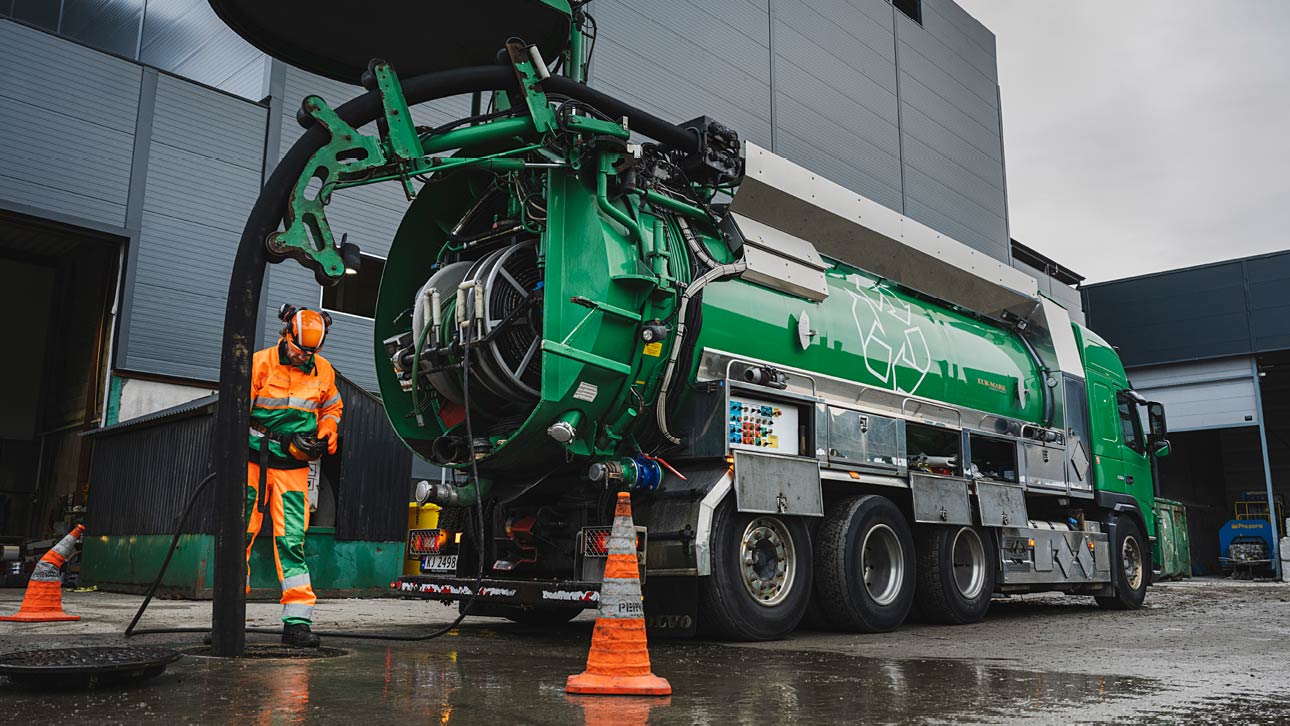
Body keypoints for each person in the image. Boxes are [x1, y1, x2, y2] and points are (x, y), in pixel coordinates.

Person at [246, 304, 343, 647]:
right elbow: (234, 412)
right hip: (253, 464)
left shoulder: (324, 371)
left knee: (292, 541)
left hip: (293, 468)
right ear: (286, 335)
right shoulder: (258, 363)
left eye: (311, 352)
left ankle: (297, 623)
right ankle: (228, 614)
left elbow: (331, 406)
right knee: (240, 534)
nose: (303, 357)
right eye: (299, 349)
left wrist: (328, 427)